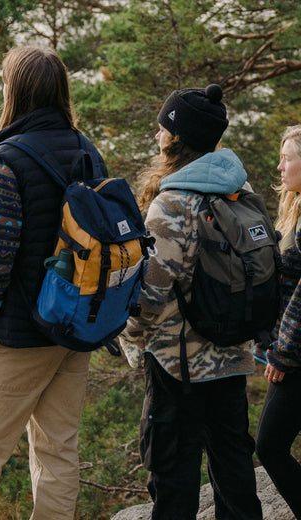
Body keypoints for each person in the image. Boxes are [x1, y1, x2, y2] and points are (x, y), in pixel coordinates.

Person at [0, 45, 108, 520]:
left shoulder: (6, 160)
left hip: (14, 336)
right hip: (72, 330)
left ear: (13, 91)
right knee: (58, 454)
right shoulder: (89, 152)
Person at [119, 84, 263, 520]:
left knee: (173, 478)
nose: (157, 132)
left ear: (176, 138)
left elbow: (150, 294)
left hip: (177, 365)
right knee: (235, 472)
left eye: (163, 126)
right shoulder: (240, 189)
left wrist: (129, 340)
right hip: (234, 355)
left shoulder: (173, 203)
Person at [254, 125, 301, 520]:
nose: (280, 165)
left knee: (269, 446)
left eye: (288, 157)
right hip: (291, 349)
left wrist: (282, 353)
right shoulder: (294, 208)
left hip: (297, 354)